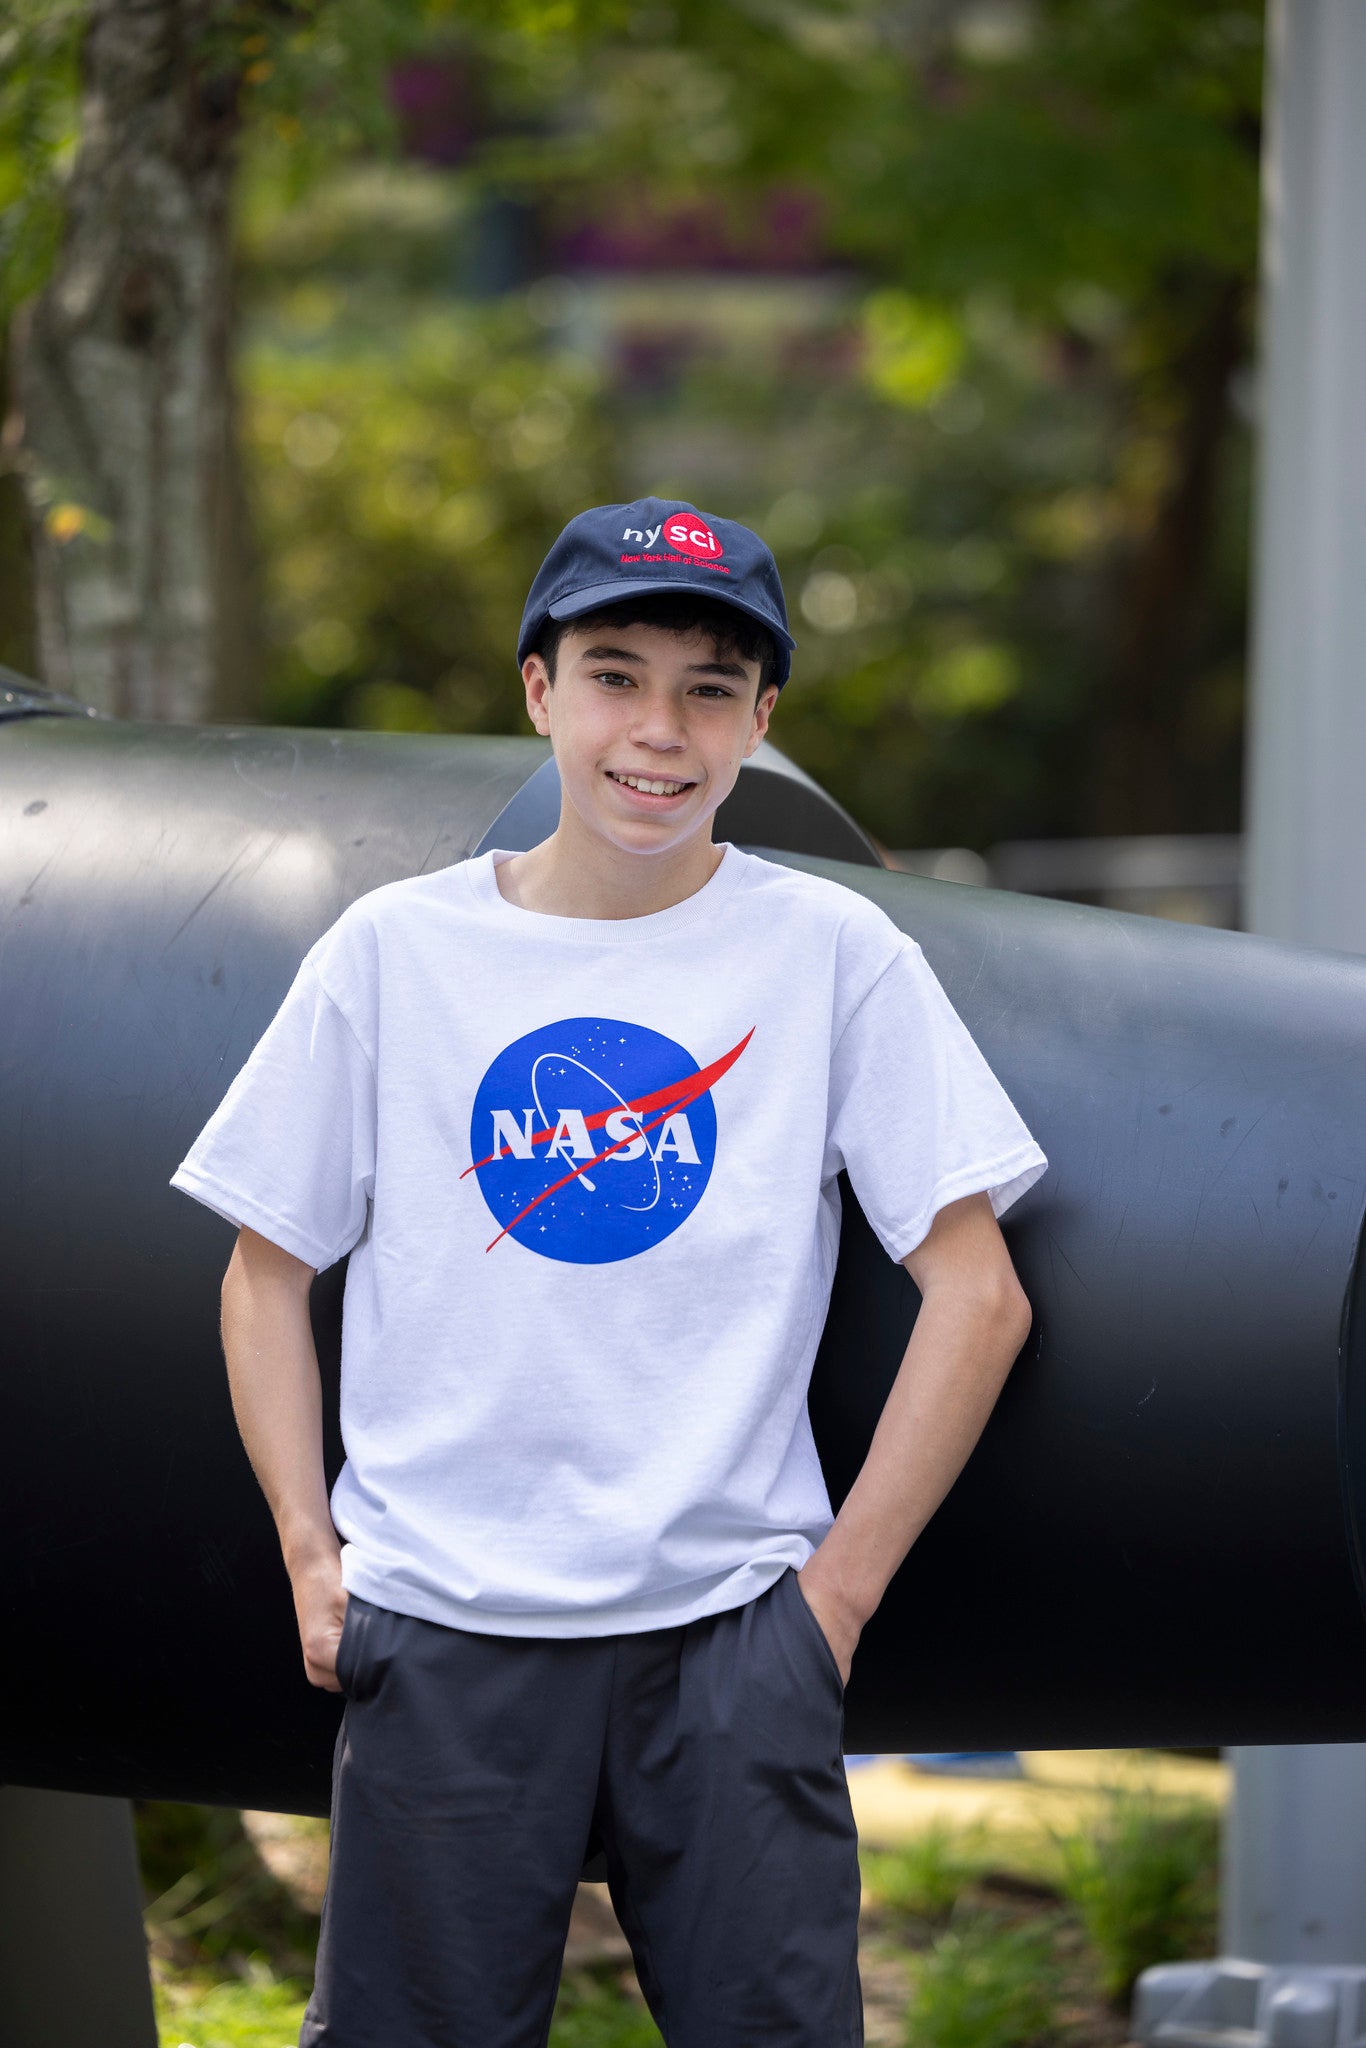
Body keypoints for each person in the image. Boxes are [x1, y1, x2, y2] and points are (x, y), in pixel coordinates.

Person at [169, 495, 1048, 2048]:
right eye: (616, 674)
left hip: (728, 1638)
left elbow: (978, 1295)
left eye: (712, 688)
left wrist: (828, 1608)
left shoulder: (832, 954)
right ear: (538, 690)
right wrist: (313, 1556)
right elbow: (263, 1268)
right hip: (443, 1627)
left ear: (763, 720)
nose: (661, 729)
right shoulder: (396, 953)